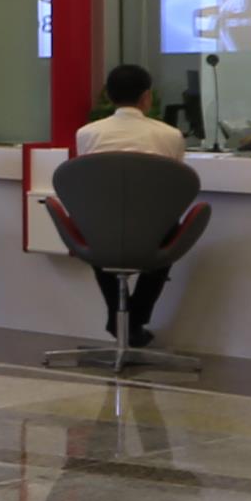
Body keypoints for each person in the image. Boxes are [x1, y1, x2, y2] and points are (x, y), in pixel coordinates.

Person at [74, 64, 190, 343]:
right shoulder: (170, 135)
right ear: (146, 97)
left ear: (108, 95)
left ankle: (119, 319)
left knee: (97, 236)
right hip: (153, 233)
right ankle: (134, 319)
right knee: (170, 235)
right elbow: (176, 185)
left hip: (101, 233)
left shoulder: (87, 134)